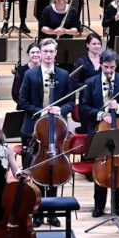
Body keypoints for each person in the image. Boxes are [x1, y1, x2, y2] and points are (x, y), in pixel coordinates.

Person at [18, 38, 73, 227]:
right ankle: (38, 212)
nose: (48, 55)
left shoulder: (64, 75)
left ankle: (52, 213)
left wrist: (61, 110)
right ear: (39, 53)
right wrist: (41, 111)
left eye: (51, 51)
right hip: (34, 128)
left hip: (56, 129)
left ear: (55, 53)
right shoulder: (30, 75)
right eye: (45, 51)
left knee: (54, 170)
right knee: (36, 171)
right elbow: (22, 101)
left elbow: (70, 102)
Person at [78, 50, 119, 217]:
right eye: (105, 67)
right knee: (101, 166)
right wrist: (101, 114)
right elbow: (84, 107)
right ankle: (99, 206)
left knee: (117, 165)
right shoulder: (90, 82)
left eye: (112, 67)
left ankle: (117, 206)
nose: (109, 70)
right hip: (98, 129)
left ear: (116, 65)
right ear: (100, 65)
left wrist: (118, 107)